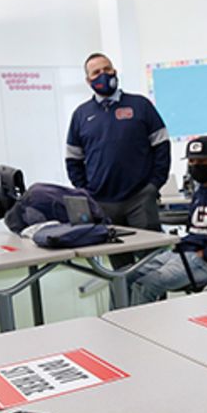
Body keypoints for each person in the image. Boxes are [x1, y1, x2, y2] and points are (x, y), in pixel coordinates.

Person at [64, 52, 170, 267]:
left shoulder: (140, 105)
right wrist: (85, 191)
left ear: (115, 71)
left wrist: (154, 185)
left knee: (153, 263)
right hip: (103, 203)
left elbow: (161, 145)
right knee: (121, 269)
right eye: (96, 72)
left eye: (107, 69)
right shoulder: (81, 115)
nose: (103, 75)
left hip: (140, 198)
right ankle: (130, 302)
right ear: (88, 80)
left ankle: (156, 301)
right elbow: (73, 158)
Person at [127, 136, 207, 305]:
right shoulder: (200, 192)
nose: (195, 166)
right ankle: (114, 324)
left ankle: (135, 329)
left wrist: (205, 254)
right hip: (183, 252)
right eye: (191, 161)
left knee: (146, 284)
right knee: (124, 276)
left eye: (201, 161)